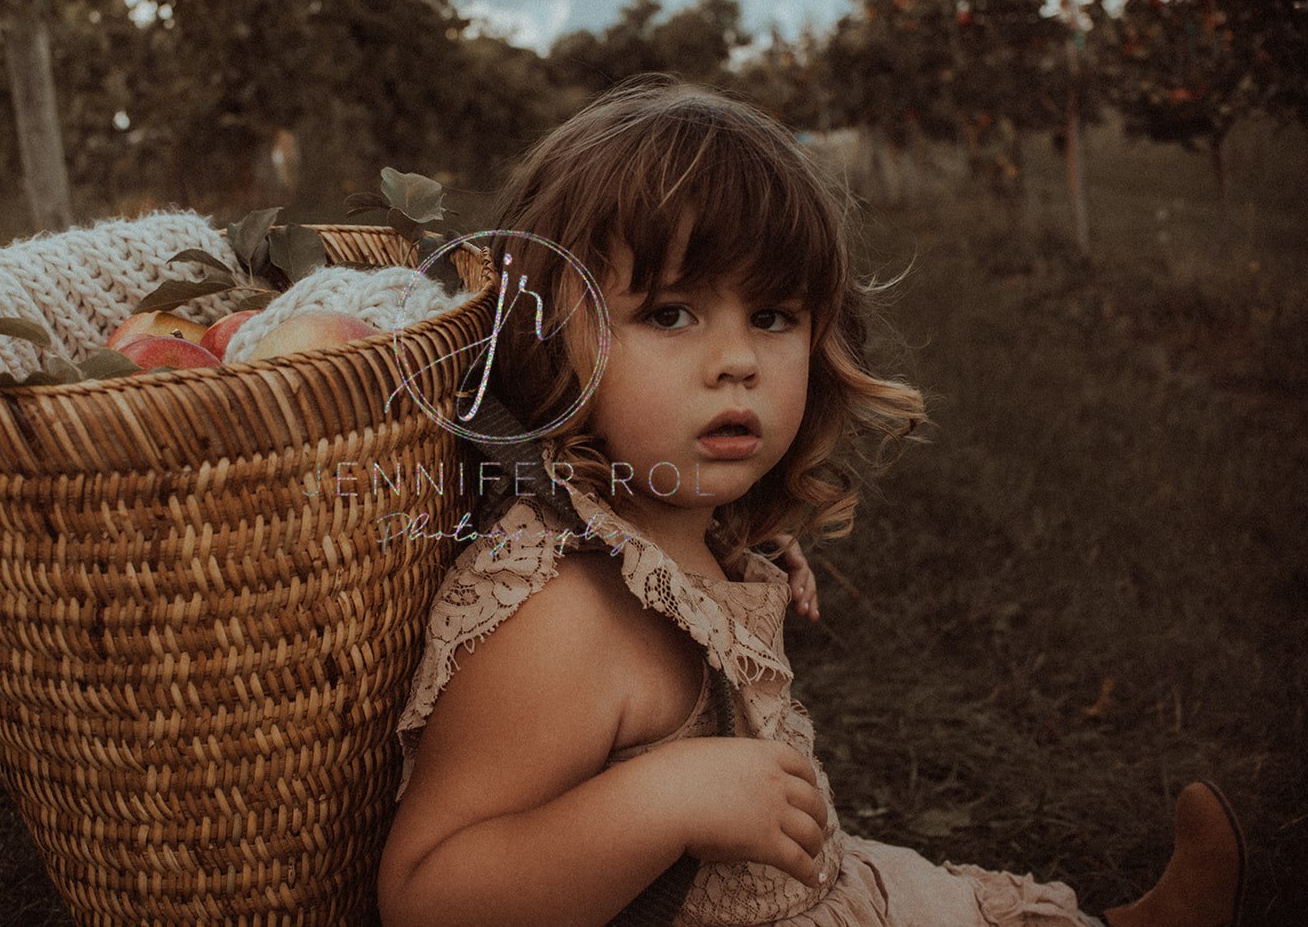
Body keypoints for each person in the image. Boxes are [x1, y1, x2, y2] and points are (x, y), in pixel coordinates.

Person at [376, 76, 1245, 926]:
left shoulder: (657, 523)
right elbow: (429, 896)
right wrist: (665, 800)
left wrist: (736, 552)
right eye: (671, 314)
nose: (737, 361)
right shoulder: (560, 616)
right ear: (547, 342)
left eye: (773, 316)